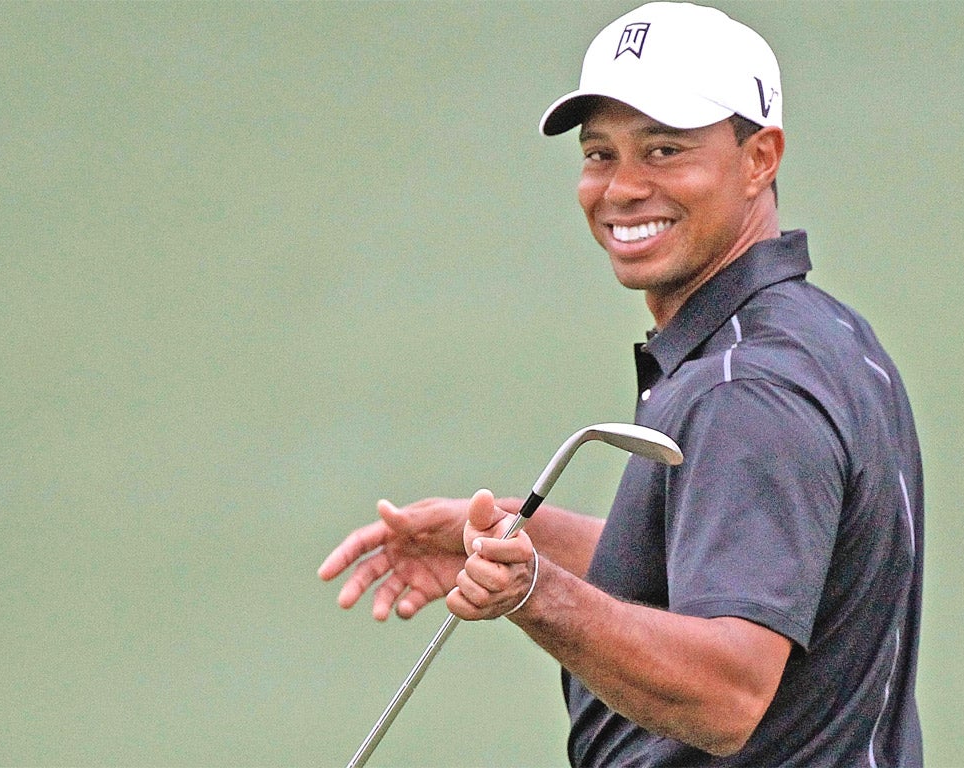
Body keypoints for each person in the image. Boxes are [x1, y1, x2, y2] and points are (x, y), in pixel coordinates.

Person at [318, 2, 924, 765]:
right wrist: (523, 537)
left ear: (761, 158)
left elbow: (727, 694)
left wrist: (535, 592)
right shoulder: (823, 336)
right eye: (600, 154)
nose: (622, 188)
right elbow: (737, 562)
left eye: (665, 150)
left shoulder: (745, 389)